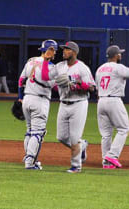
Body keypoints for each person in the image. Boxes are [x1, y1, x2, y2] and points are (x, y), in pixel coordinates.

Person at [46, 41, 95, 173]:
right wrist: (46, 60)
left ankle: (76, 166)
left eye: (67, 50)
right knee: (61, 137)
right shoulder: (59, 66)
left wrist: (80, 83)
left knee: (74, 138)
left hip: (79, 103)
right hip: (63, 103)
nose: (63, 52)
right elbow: (46, 76)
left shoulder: (82, 68)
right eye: (63, 50)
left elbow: (92, 88)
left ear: (73, 52)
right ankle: (82, 146)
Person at [95, 45, 129, 169]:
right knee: (124, 129)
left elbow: (97, 88)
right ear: (116, 55)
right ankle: (112, 156)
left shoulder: (100, 69)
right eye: (119, 53)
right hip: (114, 100)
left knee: (106, 134)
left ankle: (106, 161)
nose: (121, 55)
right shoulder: (118, 67)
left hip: (101, 101)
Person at [18, 39, 58, 169]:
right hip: (40, 101)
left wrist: (20, 97)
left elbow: (21, 80)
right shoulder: (51, 67)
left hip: (26, 98)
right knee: (37, 133)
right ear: (49, 51)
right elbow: (55, 86)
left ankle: (29, 158)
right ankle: (30, 162)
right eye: (54, 50)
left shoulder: (30, 61)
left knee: (29, 131)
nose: (55, 53)